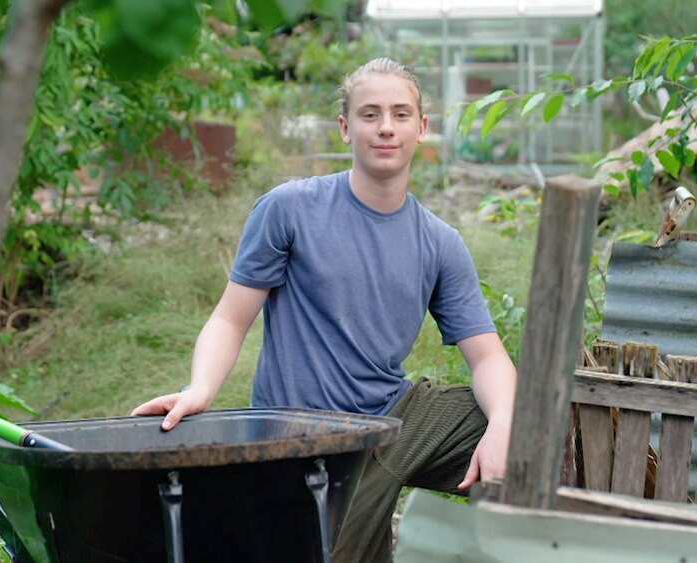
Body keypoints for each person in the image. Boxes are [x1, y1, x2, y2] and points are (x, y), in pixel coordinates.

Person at [132, 57, 517, 562]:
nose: (385, 128)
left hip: (394, 423)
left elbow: (488, 359)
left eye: (401, 115)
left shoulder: (440, 243)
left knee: (532, 424)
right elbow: (230, 318)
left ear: (422, 129)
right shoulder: (290, 210)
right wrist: (199, 389)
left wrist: (503, 429)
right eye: (370, 114)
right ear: (344, 127)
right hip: (298, 439)